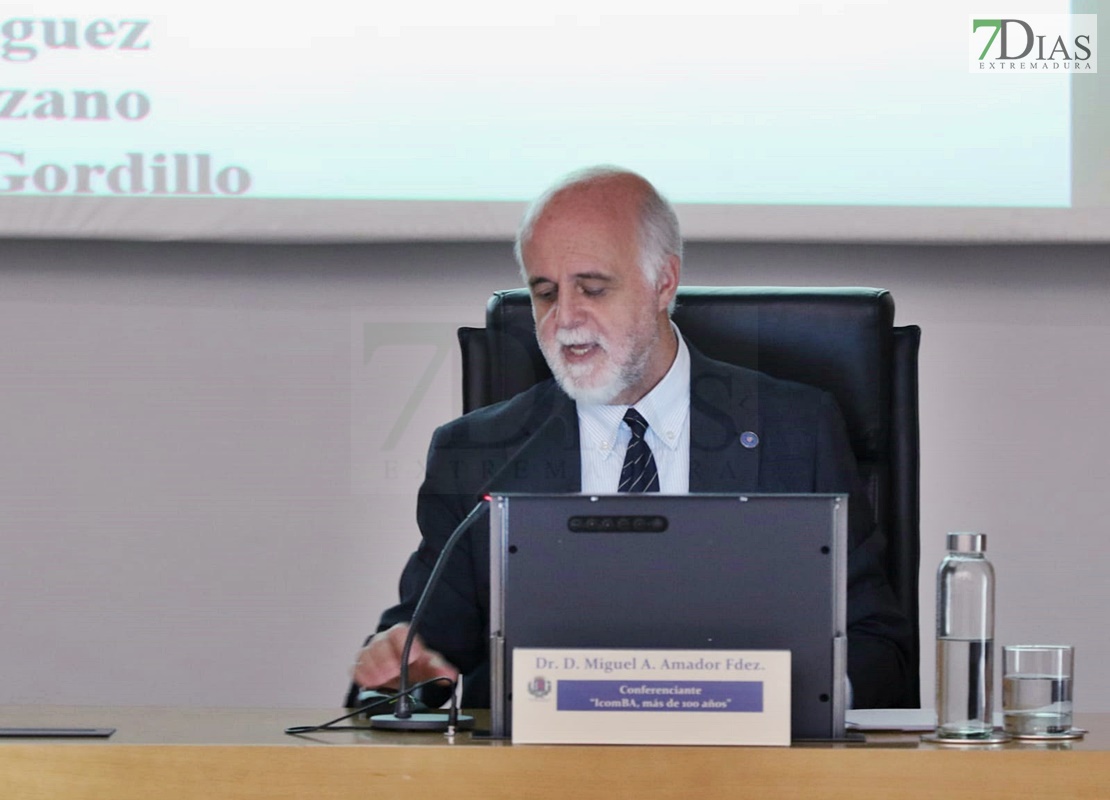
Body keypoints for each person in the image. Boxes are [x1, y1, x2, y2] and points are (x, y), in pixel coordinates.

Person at [350, 166, 913, 709]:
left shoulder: (796, 431)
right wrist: (403, 671)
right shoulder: (476, 457)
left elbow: (877, 646)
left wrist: (782, 700)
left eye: (593, 289)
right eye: (545, 293)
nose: (564, 319)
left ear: (662, 283)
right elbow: (421, 655)